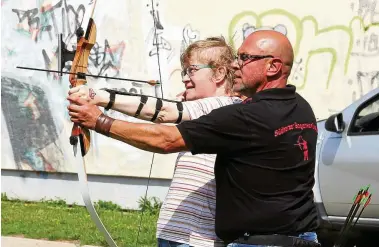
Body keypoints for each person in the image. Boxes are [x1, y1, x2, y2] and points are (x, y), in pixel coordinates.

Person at [68, 30, 320, 247]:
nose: (236, 65)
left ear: (273, 66)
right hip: (302, 237)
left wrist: (98, 111)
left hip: (254, 241)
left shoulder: (240, 115)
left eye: (244, 58)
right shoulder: (302, 109)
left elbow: (166, 133)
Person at [69, 37, 243, 247]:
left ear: (219, 73)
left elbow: (162, 111)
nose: (185, 78)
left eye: (192, 70)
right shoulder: (201, 111)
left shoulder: (226, 107)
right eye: (184, 71)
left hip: (198, 239)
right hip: (175, 232)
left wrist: (99, 97)